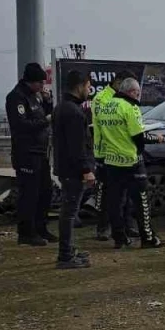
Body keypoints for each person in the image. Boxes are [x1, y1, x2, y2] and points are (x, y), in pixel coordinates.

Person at [94, 77, 165, 249]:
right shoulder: (130, 107)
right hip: (132, 161)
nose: (138, 96)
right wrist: (157, 138)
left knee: (114, 202)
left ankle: (119, 238)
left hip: (111, 161)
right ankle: (148, 238)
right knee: (141, 201)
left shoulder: (106, 106)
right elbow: (138, 136)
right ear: (130, 92)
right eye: (137, 93)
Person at [6, 62, 54, 246]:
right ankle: (26, 232)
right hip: (26, 153)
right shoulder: (16, 97)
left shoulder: (36, 97)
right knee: (29, 194)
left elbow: (43, 115)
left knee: (45, 192)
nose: (42, 86)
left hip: (40, 152)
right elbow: (21, 125)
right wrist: (46, 121)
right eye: (40, 83)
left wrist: (48, 103)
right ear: (30, 82)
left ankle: (41, 228)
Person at [53, 69, 97, 269]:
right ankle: (65, 256)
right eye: (88, 87)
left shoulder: (64, 107)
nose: (90, 91)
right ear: (80, 86)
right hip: (73, 171)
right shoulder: (72, 112)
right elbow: (77, 146)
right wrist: (86, 170)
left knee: (69, 212)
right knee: (69, 213)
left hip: (67, 168)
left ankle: (68, 251)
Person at [89, 70, 130, 242]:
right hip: (105, 152)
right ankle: (103, 228)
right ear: (118, 81)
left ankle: (124, 227)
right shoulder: (101, 98)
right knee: (106, 193)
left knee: (125, 193)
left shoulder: (123, 98)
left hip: (123, 151)